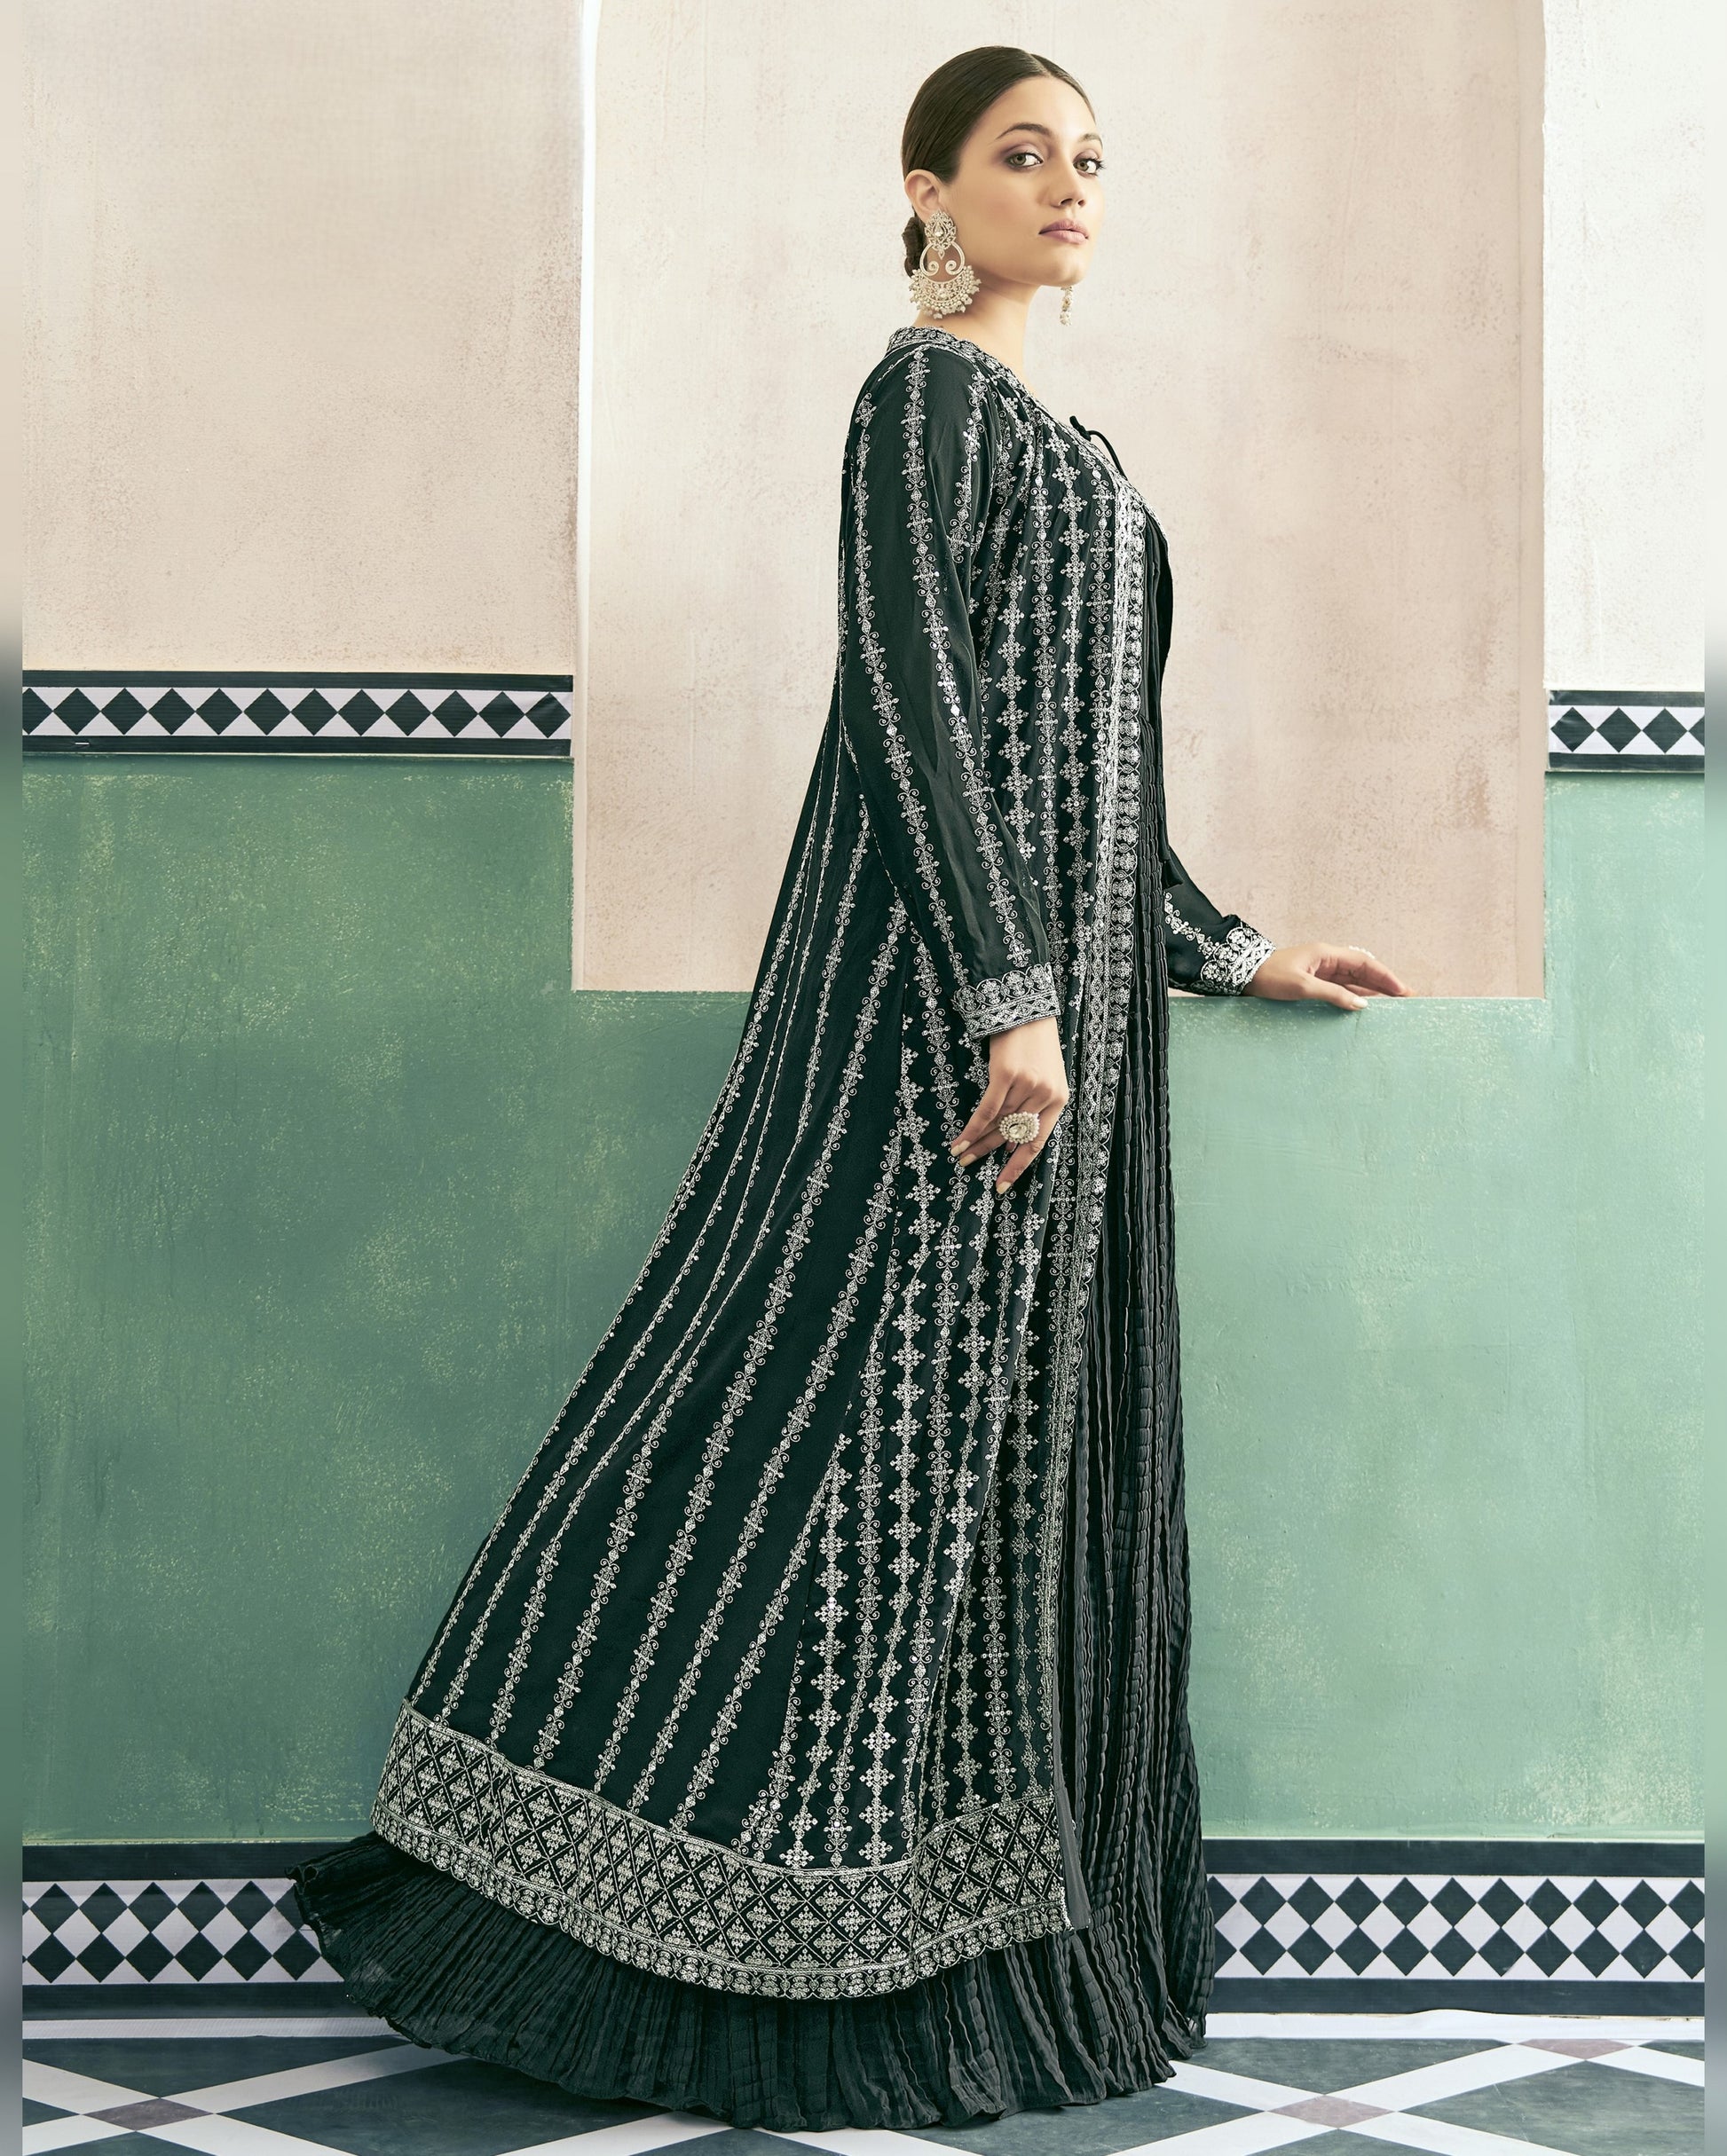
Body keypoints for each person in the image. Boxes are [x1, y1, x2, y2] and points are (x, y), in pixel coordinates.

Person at [291, 43, 1411, 2135]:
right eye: (1021, 155)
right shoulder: (920, 403)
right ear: (927, 191)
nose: (1068, 186)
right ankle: (662, 1908)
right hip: (943, 1043)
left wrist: (1234, 946)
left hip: (1074, 1059)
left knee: (994, 1487)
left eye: (1090, 159)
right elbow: (906, 700)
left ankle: (954, 1950)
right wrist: (1004, 1003)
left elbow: (1098, 782)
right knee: (836, 1440)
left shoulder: (1074, 440)